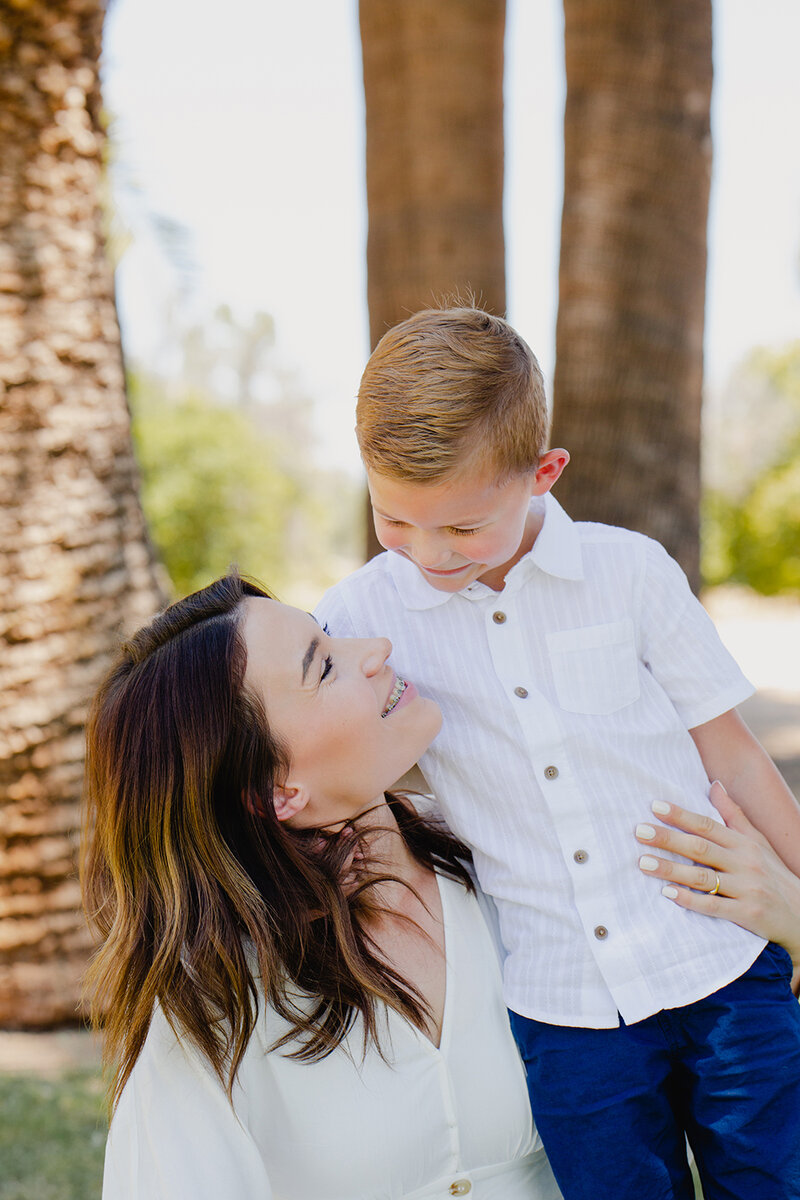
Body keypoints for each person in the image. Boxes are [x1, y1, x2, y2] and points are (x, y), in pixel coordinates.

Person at [315, 305, 800, 1200]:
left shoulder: (632, 573)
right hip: (564, 1008)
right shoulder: (357, 620)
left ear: (543, 474)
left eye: (463, 527)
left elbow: (732, 756)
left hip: (724, 967)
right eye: (395, 521)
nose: (427, 554)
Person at [83, 573, 564, 1200]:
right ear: (275, 791)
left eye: (331, 638)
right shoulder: (210, 1005)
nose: (377, 650)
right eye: (325, 668)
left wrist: (738, 893)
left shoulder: (511, 855)